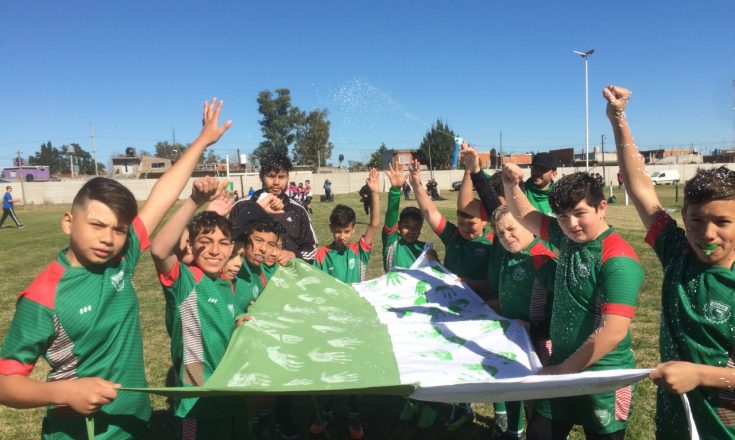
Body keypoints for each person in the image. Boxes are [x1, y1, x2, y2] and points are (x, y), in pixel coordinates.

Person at [0, 98, 232, 438]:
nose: (107, 238)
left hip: (134, 424)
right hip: (82, 432)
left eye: (119, 229)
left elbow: (161, 197)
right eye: (96, 224)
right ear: (68, 222)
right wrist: (64, 392)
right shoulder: (42, 296)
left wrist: (202, 142)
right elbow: (6, 382)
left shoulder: (121, 258)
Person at [604, 85, 735, 439]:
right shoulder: (678, 252)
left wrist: (700, 374)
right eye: (696, 220)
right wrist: (618, 119)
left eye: (722, 222)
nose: (707, 233)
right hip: (675, 423)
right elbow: (641, 189)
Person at [502, 162, 644, 440]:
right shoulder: (567, 237)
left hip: (603, 374)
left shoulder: (619, 259)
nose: (571, 224)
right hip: (562, 364)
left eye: (580, 213)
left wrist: (561, 371)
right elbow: (525, 214)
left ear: (601, 207)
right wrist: (510, 185)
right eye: (562, 216)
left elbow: (613, 332)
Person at [310, 168, 381, 440]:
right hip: (329, 324)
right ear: (331, 229)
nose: (342, 236)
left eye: (346, 231)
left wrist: (375, 194)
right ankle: (326, 412)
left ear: (353, 230)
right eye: (338, 231)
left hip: (356, 323)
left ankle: (354, 416)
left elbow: (374, 224)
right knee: (328, 367)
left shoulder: (359, 250)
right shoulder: (321, 255)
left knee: (353, 369)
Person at [230, 151, 318, 264]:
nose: (276, 182)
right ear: (262, 176)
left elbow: (312, 248)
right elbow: (227, 240)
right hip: (249, 273)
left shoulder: (298, 210)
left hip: (286, 273)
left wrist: (295, 255)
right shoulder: (241, 206)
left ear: (288, 178)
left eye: (281, 177)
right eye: (271, 176)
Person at [382, 161, 426, 272]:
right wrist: (396, 190)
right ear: (398, 226)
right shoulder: (392, 242)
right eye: (406, 226)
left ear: (421, 230)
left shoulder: (425, 249)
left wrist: (433, 259)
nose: (411, 231)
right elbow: (391, 214)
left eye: (415, 227)